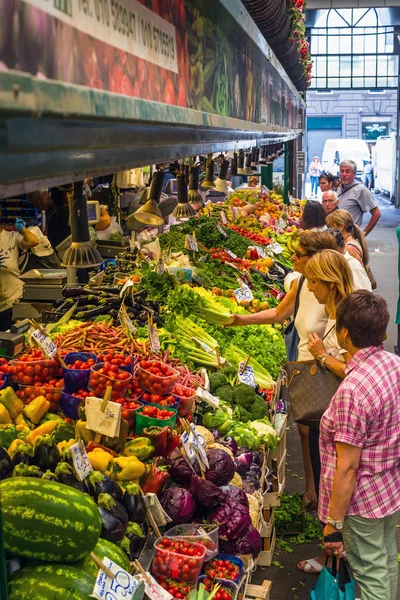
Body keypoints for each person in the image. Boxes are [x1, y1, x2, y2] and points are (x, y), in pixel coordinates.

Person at [229, 231, 339, 511]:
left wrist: (326, 359)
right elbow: (279, 314)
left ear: (316, 259)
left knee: (325, 438)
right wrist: (240, 320)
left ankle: (330, 506)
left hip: (327, 372)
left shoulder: (334, 291)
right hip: (303, 369)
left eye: (299, 255)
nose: (293, 259)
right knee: (307, 432)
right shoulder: (302, 283)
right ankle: (312, 489)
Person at [319, 290, 400, 600]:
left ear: (344, 333)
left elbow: (349, 467)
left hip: (361, 502)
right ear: (381, 331)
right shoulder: (393, 365)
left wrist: (334, 524)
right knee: (384, 562)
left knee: (369, 572)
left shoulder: (353, 389)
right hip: (388, 488)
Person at [297, 249, 355, 574]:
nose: (309, 288)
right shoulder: (334, 312)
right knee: (325, 484)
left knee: (332, 487)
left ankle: (331, 557)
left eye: (314, 281)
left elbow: (355, 368)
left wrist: (320, 356)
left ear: (330, 283)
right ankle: (332, 554)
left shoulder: (347, 318)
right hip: (329, 415)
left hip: (340, 420)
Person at [0, 218, 39, 331]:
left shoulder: (12, 237)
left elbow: (33, 241)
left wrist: (22, 229)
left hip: (12, 303)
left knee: (11, 343)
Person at [337, 160, 381, 234]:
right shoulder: (339, 188)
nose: (344, 174)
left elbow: (376, 213)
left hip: (350, 237)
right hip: (337, 237)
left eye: (348, 171)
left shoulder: (360, 190)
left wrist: (364, 234)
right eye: (342, 171)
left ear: (354, 174)